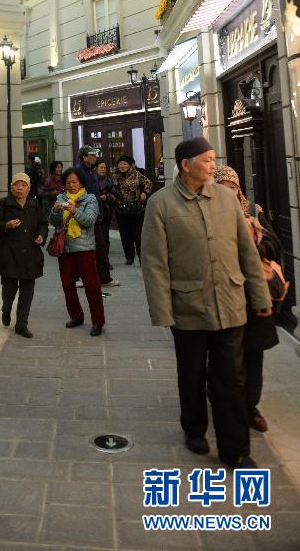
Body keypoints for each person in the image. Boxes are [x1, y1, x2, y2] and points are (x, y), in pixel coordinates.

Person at [141, 138, 272, 468]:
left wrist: (259, 295)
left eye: (214, 159)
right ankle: (194, 428)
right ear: (186, 165)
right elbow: (154, 262)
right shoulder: (161, 204)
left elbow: (247, 252)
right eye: (207, 159)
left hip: (230, 303)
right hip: (189, 307)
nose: (214, 165)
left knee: (232, 378)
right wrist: (162, 310)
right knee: (192, 374)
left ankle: (235, 449)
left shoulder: (227, 199)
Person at [214, 165, 280, 433]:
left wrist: (257, 247)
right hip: (225, 294)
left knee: (253, 355)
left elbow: (274, 244)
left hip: (253, 296)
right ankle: (227, 403)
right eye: (222, 188)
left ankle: (251, 406)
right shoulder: (210, 215)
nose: (228, 193)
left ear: (238, 189)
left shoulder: (253, 211)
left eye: (232, 188)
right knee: (227, 357)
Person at [0, 173, 47, 338]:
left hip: (30, 254)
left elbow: (43, 223)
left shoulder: (34, 204)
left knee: (27, 292)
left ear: (28, 188)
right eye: (16, 185)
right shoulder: (3, 203)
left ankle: (21, 324)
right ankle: (6, 310)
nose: (19, 188)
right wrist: (6, 225)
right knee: (9, 291)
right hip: (9, 255)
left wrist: (42, 236)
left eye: (23, 185)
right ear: (11, 187)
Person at [49, 168, 106, 336]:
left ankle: (98, 321)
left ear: (81, 183)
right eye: (68, 182)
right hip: (65, 248)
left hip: (84, 248)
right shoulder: (61, 198)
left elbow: (89, 221)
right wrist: (55, 211)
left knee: (92, 285)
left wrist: (75, 211)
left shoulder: (90, 199)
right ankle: (76, 316)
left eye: (74, 182)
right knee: (67, 285)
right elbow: (53, 221)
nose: (71, 185)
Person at [75, 146, 119, 287]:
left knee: (100, 248)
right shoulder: (78, 172)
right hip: (84, 216)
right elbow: (76, 194)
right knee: (83, 248)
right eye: (92, 155)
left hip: (96, 215)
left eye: (95, 155)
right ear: (84, 157)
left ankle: (105, 278)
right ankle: (81, 278)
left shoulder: (92, 172)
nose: (95, 157)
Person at [114, 155, 152, 265]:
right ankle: (129, 257)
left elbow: (148, 184)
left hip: (136, 210)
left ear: (130, 165)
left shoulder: (137, 175)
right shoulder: (115, 176)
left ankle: (141, 257)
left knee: (138, 235)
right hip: (121, 210)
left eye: (125, 164)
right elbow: (112, 190)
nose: (122, 166)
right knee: (125, 235)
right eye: (120, 164)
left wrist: (144, 193)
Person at [96, 159, 117, 255]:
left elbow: (115, 195)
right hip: (94, 212)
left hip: (106, 212)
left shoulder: (109, 180)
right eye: (101, 167)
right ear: (96, 168)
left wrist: (107, 197)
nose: (103, 169)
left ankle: (105, 258)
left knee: (105, 236)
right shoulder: (92, 181)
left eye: (105, 168)